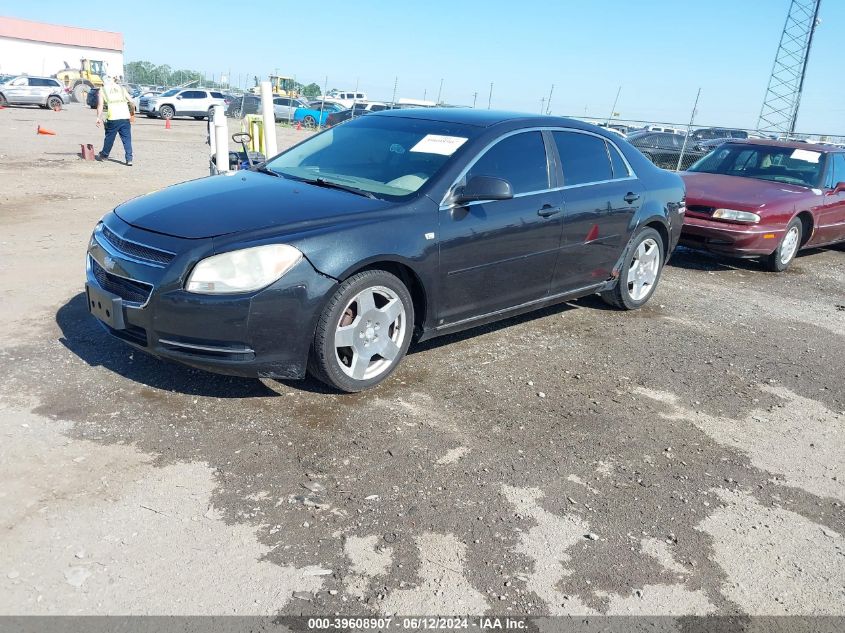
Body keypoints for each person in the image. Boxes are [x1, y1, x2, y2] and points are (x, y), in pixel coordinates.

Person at [95, 76, 134, 166]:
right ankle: (129, 159)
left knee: (109, 138)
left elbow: (100, 105)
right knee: (127, 139)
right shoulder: (121, 88)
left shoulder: (102, 90)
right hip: (125, 117)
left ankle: (104, 155)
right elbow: (131, 102)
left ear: (104, 82)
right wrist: (131, 114)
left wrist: (98, 117)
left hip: (113, 118)